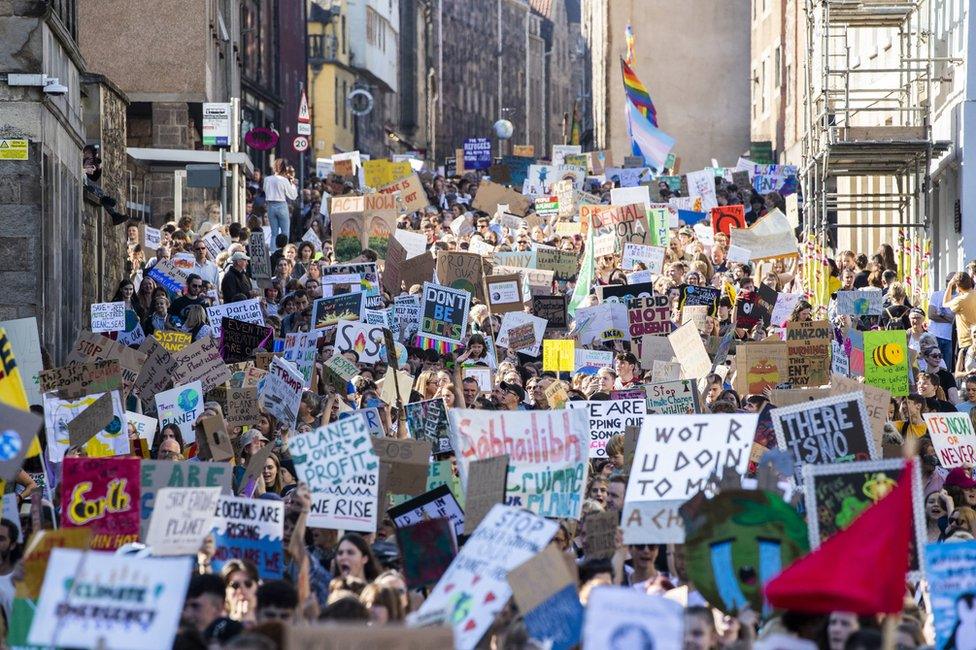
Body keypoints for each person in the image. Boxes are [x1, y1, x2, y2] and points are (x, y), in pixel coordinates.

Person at [264, 159, 298, 246]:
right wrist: (293, 184)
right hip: (281, 205)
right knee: (285, 232)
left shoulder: (267, 179)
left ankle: (273, 252)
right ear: (284, 169)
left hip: (270, 205)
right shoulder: (284, 180)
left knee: (274, 233)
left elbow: (265, 190)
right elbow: (293, 196)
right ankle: (284, 253)